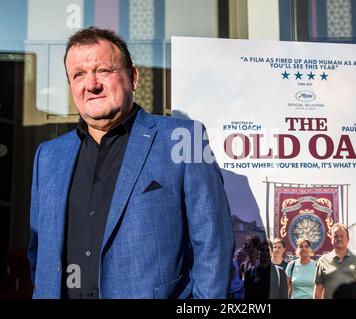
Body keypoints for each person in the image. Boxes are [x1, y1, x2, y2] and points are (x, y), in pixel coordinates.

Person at [27, 27, 234, 299]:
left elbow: (213, 247)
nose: (91, 85)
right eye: (79, 75)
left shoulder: (185, 139)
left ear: (133, 77)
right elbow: (38, 252)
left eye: (104, 71)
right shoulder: (48, 156)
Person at [314, 223, 356, 299]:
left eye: (342, 236)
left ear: (348, 239)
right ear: (331, 239)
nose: (339, 238)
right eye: (336, 236)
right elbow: (318, 290)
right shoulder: (323, 261)